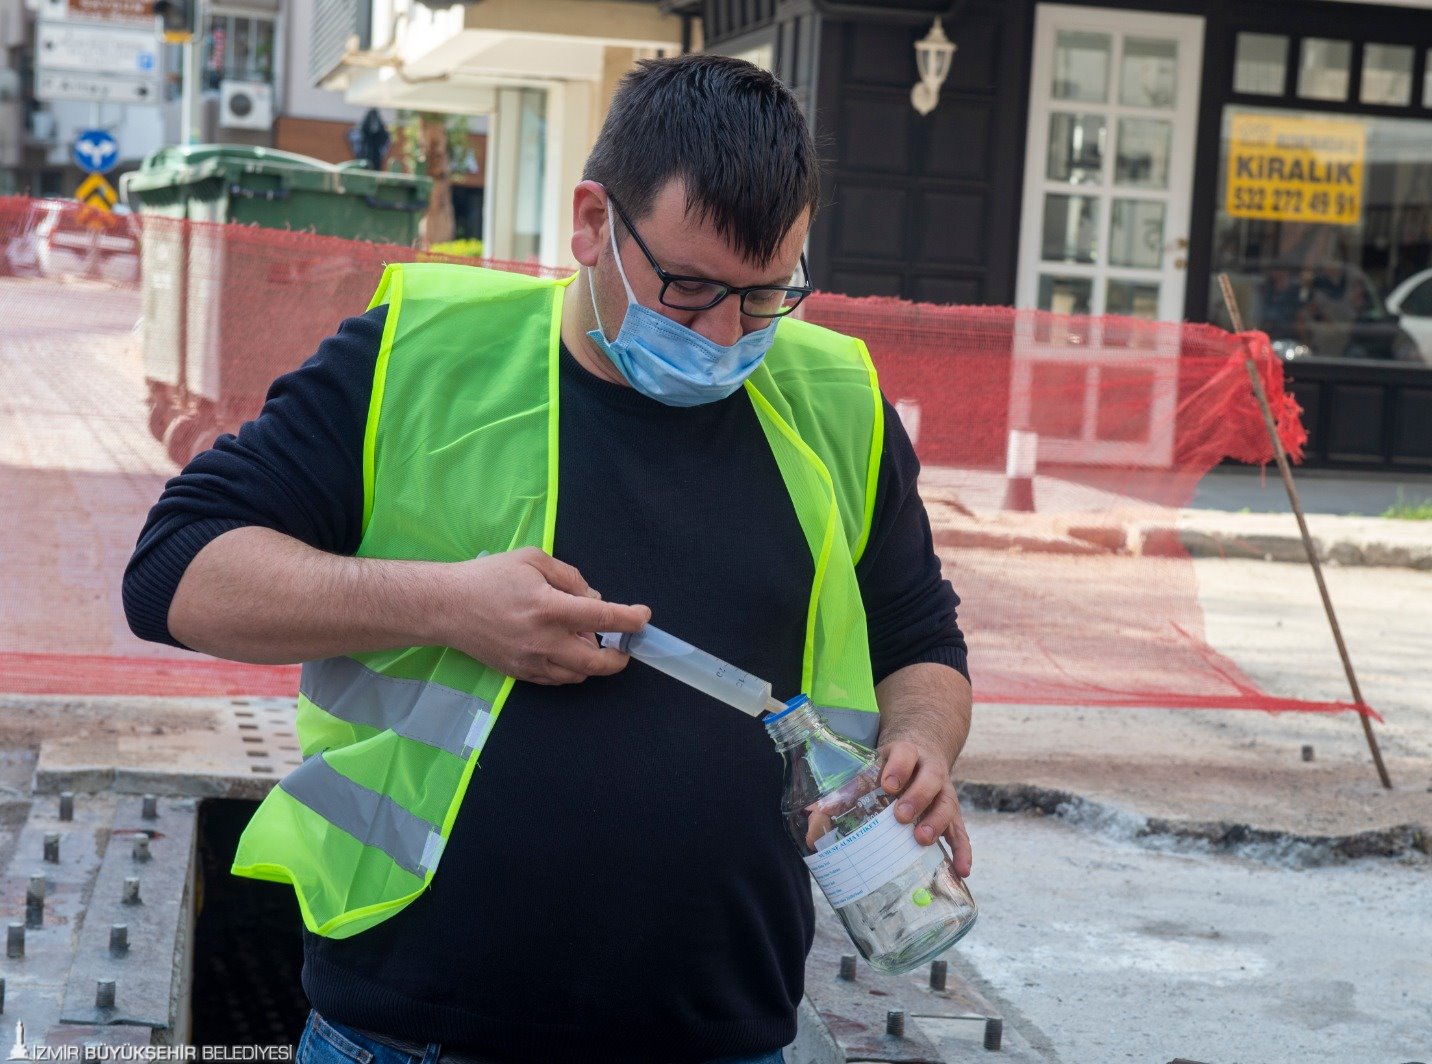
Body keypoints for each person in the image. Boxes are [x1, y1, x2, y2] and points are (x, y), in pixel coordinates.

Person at [123, 55, 972, 1064]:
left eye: (764, 295)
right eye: (689, 287)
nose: (723, 334)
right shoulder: (421, 359)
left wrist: (922, 745)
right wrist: (446, 605)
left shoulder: (835, 401)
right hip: (411, 1026)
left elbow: (919, 637)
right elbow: (176, 571)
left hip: (720, 1028)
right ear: (591, 222)